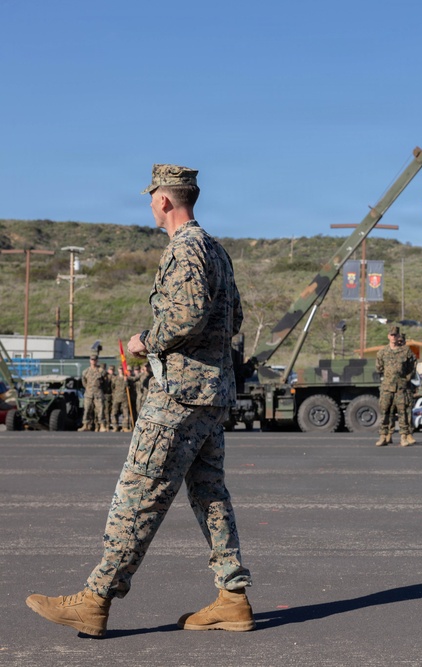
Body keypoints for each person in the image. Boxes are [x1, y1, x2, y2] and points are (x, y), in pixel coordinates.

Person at [26, 164, 253, 636]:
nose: (150, 205)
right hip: (211, 395)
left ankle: (96, 599)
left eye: (151, 198)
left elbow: (187, 315)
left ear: (164, 200)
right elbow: (233, 319)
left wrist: (144, 341)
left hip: (178, 396)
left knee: (138, 494)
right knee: (210, 495)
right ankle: (232, 596)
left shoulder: (185, 248)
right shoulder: (216, 250)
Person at [374, 326, 417, 447]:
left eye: (395, 335)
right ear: (388, 336)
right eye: (391, 335)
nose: (393, 337)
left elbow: (412, 367)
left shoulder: (406, 351)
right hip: (387, 387)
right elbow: (379, 368)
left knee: (403, 412)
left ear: (399, 336)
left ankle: (403, 437)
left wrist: (406, 378)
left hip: (401, 387)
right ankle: (383, 436)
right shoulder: (382, 352)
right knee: (385, 411)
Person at [77, 355, 107, 432]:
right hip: (88, 394)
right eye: (92, 360)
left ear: (97, 361)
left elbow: (105, 383)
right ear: (90, 361)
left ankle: (102, 426)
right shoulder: (86, 371)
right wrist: (89, 388)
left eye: (94, 360)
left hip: (98, 393)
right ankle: (85, 425)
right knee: (87, 410)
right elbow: (84, 383)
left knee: (100, 410)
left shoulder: (101, 371)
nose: (93, 361)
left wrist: (99, 389)